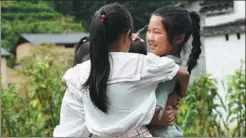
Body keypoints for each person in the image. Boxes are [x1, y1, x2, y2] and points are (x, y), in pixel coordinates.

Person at [55, 2, 189, 137]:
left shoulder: (82, 71)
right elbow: (182, 72)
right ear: (127, 36)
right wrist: (180, 94)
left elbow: (65, 79)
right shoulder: (139, 64)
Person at [137, 6, 201, 137]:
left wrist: (160, 118)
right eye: (149, 30)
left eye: (157, 32)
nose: (150, 37)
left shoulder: (164, 68)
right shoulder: (168, 66)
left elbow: (156, 112)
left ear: (178, 38)